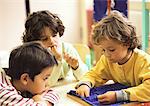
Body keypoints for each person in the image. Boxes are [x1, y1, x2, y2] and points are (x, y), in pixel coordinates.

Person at [75, 10, 150, 104]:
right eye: (103, 50)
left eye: (111, 50)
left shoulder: (143, 61)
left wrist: (120, 95)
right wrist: (85, 84)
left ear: (126, 43)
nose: (106, 54)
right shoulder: (107, 59)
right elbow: (94, 74)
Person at [22, 10, 88, 86]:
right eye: (44, 39)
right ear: (34, 41)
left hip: (64, 88)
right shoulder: (35, 56)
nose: (52, 41)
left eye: (54, 35)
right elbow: (47, 84)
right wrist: (57, 60)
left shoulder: (66, 49)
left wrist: (76, 66)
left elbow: (85, 76)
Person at [0, 41, 59, 106]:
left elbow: (53, 93)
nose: (47, 83)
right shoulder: (4, 93)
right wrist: (40, 100)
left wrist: (42, 101)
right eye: (45, 78)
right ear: (25, 79)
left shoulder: (23, 84)